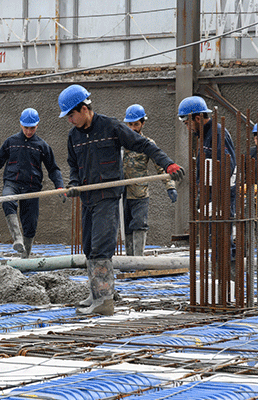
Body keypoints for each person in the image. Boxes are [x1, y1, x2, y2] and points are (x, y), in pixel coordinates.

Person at [59, 85, 184, 316]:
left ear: (84, 108)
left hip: (107, 197)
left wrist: (167, 163)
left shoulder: (111, 127)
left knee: (101, 247)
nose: (70, 120)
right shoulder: (73, 136)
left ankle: (105, 301)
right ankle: (97, 293)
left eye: (71, 114)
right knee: (88, 248)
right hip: (88, 198)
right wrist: (74, 185)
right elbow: (74, 166)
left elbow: (144, 144)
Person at [0, 108, 65, 258]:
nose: (29, 131)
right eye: (26, 127)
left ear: (37, 125)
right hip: (12, 183)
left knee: (30, 223)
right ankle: (17, 239)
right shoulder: (11, 142)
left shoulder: (42, 146)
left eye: (32, 128)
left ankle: (25, 256)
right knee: (7, 201)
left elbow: (53, 169)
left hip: (32, 187)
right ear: (21, 125)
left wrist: (59, 185)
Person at [178, 96, 237, 265]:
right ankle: (221, 272)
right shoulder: (204, 135)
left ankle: (229, 274)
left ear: (197, 118)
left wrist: (211, 195)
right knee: (215, 237)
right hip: (211, 194)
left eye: (187, 123)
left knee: (222, 236)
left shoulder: (217, 134)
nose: (188, 128)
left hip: (221, 194)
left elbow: (227, 166)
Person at [121, 104, 177, 256]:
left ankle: (138, 259)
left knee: (139, 224)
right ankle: (129, 259)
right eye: (130, 124)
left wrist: (170, 186)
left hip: (140, 192)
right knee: (125, 226)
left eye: (136, 124)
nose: (132, 128)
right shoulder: (120, 143)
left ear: (142, 123)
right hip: (121, 193)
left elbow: (160, 165)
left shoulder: (147, 144)